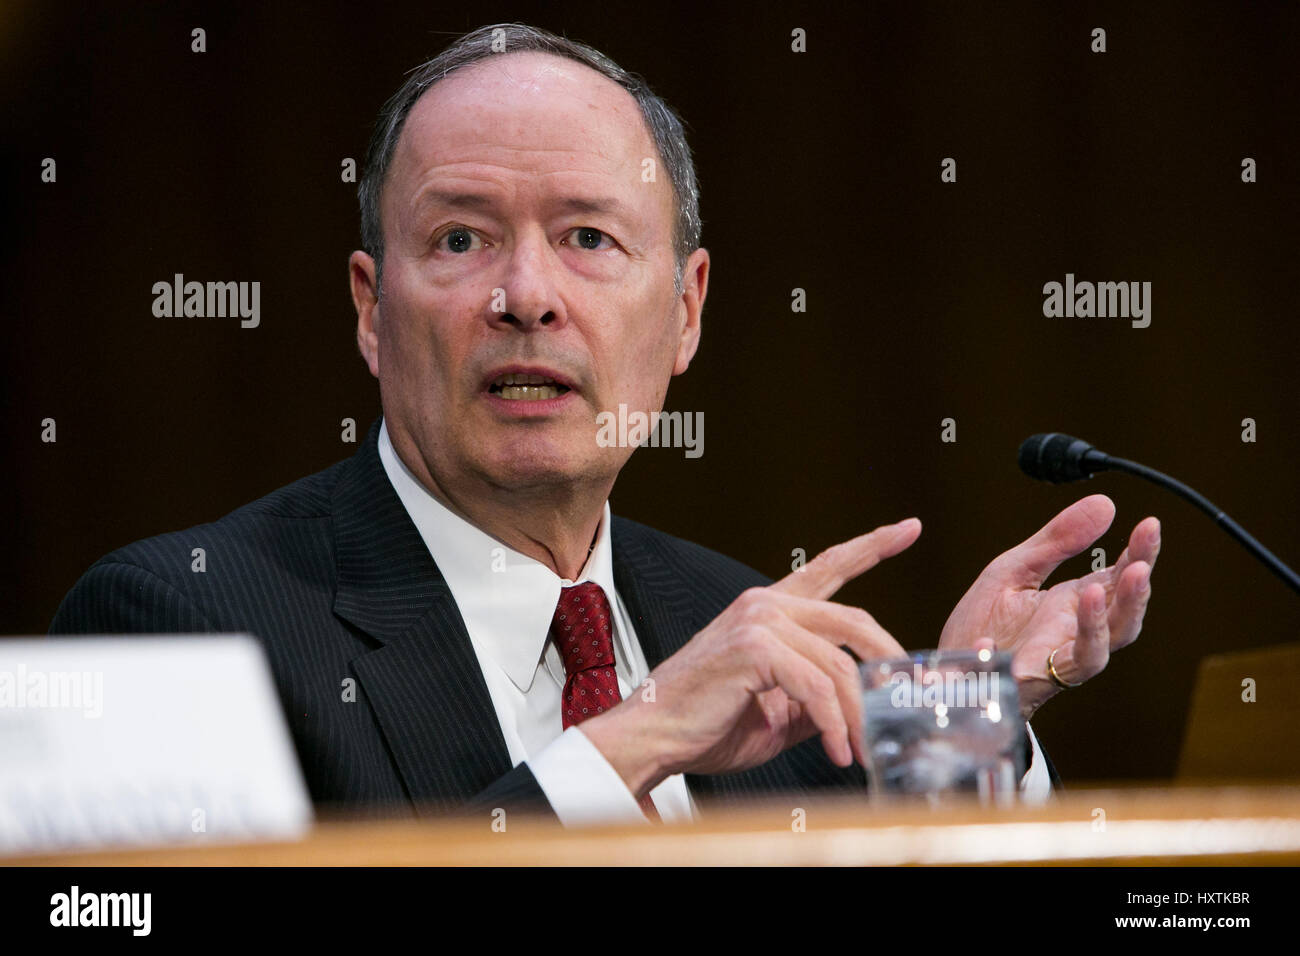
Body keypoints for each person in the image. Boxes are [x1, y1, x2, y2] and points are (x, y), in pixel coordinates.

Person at [49, 23, 1161, 826]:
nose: (526, 293)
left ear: (684, 312)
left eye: (587, 237)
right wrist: (625, 744)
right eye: (457, 240)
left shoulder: (746, 632)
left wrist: (966, 710)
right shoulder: (179, 623)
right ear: (368, 310)